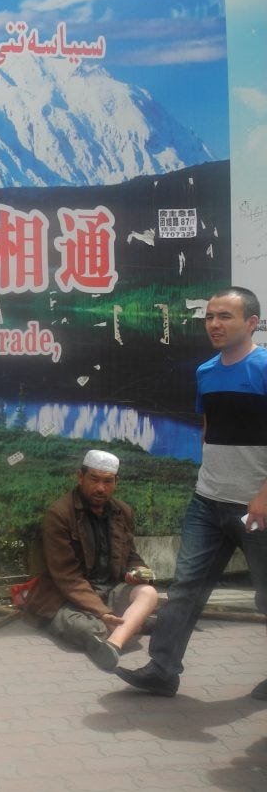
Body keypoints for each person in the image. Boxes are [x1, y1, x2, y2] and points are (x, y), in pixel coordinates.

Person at [117, 286, 267, 696]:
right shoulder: (206, 372)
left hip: (257, 507)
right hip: (209, 500)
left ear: (251, 323)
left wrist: (263, 494)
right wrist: (207, 475)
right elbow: (209, 427)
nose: (215, 324)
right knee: (185, 587)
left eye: (226, 317)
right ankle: (162, 669)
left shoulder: (265, 366)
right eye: (210, 317)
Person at [22, 450, 159, 672]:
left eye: (107, 481)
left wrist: (139, 570)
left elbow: (130, 554)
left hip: (110, 590)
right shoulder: (59, 514)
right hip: (65, 597)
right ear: (80, 477)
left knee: (148, 593)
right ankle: (132, 625)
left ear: (116, 482)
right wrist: (102, 611)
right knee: (89, 628)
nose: (100, 488)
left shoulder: (122, 512)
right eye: (94, 479)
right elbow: (67, 577)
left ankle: (113, 644)